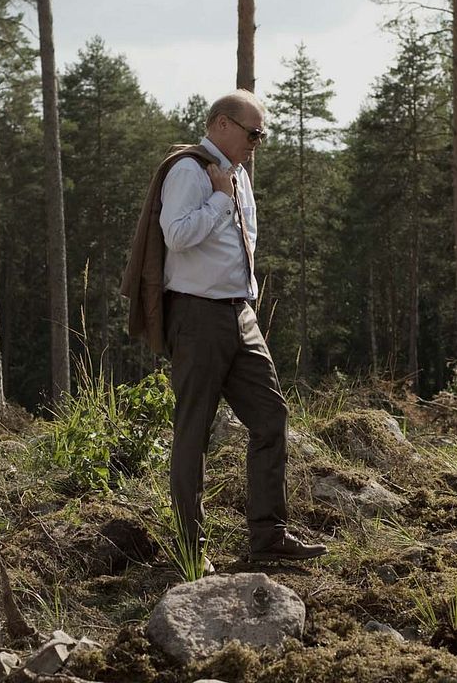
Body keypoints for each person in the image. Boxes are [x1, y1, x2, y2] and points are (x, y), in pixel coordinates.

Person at [122, 89, 327, 566]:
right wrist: (217, 200)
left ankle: (268, 538)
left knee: (270, 417)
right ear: (221, 125)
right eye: (253, 132)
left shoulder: (236, 176)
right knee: (194, 432)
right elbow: (177, 234)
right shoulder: (190, 171)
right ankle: (191, 552)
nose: (259, 140)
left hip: (239, 314)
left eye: (263, 133)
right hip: (197, 316)